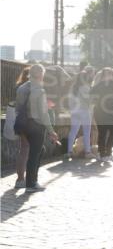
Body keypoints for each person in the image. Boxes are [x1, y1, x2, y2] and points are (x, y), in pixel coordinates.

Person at [14, 64, 61, 192]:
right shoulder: (40, 90)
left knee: (34, 151)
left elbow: (18, 108)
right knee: (35, 154)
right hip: (36, 125)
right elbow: (44, 114)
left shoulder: (21, 88)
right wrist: (51, 131)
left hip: (23, 123)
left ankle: (26, 181)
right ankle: (31, 183)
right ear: (41, 75)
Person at [92, 68, 113, 163]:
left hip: (112, 112)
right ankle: (102, 154)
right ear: (102, 76)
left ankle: (107, 153)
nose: (109, 75)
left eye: (110, 74)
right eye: (107, 74)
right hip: (100, 112)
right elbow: (91, 96)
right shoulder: (98, 86)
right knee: (102, 133)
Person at [65, 66, 95, 160]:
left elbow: (69, 101)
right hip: (84, 111)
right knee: (87, 132)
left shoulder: (73, 88)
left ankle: (69, 151)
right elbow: (88, 101)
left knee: (73, 132)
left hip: (75, 112)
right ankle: (88, 152)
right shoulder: (86, 87)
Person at [12, 67, 31, 188]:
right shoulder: (30, 88)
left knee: (23, 149)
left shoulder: (19, 87)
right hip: (29, 121)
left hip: (20, 120)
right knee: (26, 150)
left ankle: (20, 178)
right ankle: (21, 179)